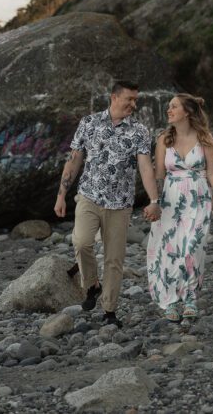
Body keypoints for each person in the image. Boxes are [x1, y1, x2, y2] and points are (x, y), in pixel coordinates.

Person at [54, 80, 161, 327]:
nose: (133, 104)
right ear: (114, 97)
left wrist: (154, 200)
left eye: (136, 100)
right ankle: (92, 284)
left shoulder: (139, 131)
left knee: (114, 259)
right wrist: (61, 195)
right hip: (89, 196)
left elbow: (146, 168)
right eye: (129, 99)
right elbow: (74, 160)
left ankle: (109, 311)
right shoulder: (89, 123)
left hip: (120, 204)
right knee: (81, 242)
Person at [146, 93, 213, 322]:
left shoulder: (205, 138)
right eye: (169, 107)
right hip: (170, 200)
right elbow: (159, 175)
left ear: (187, 112)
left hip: (198, 198)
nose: (169, 110)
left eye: (174, 107)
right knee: (170, 250)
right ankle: (172, 300)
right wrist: (154, 202)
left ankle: (190, 297)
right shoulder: (164, 139)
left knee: (192, 247)